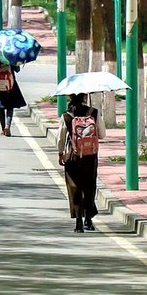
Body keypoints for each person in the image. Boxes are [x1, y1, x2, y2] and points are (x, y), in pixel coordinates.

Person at [58, 92, 104, 231]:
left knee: (75, 187)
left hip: (73, 156)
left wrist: (60, 154)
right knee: (89, 186)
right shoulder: (93, 113)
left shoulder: (66, 115)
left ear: (70, 97)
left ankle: (78, 222)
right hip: (91, 155)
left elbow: (60, 138)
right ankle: (88, 220)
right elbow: (102, 134)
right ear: (84, 97)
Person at [0, 59, 27, 136]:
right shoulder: (11, 56)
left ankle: (2, 129)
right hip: (10, 84)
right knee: (10, 106)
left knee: (0, 107)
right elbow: (17, 70)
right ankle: (8, 126)